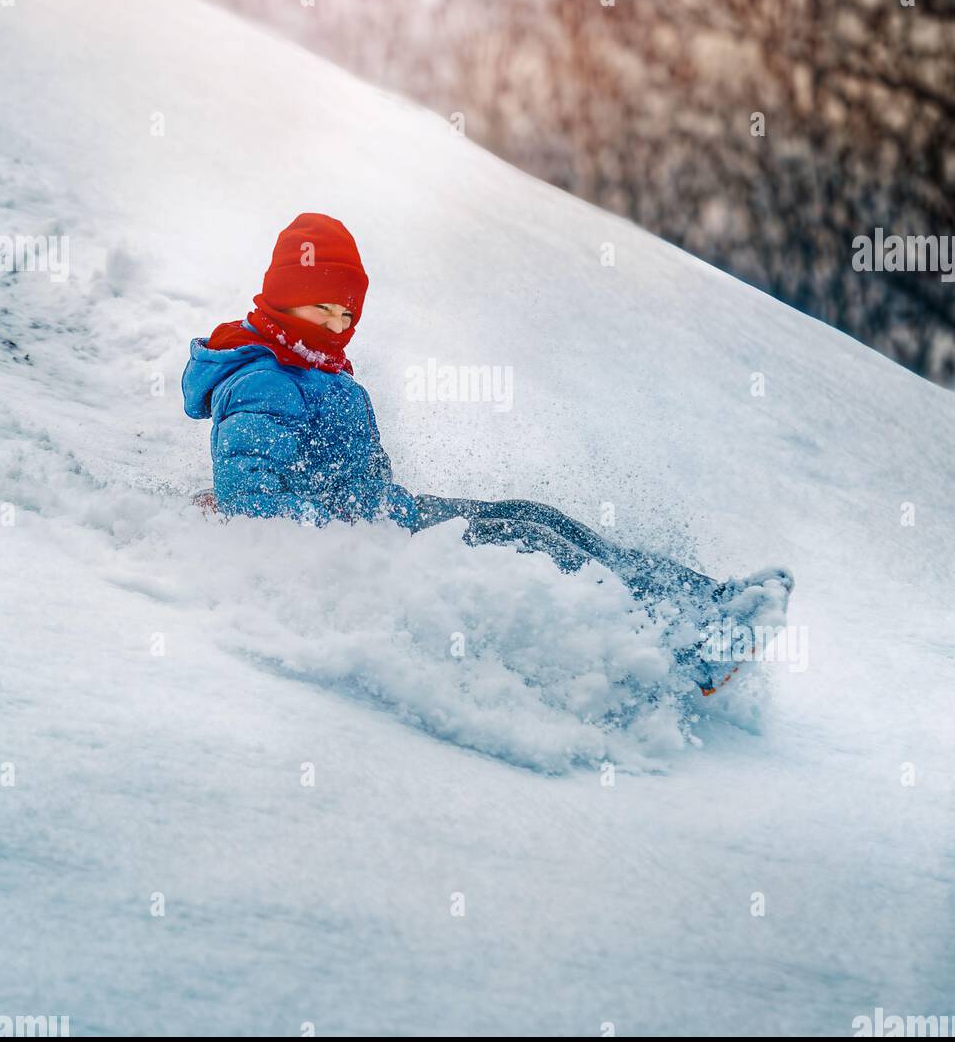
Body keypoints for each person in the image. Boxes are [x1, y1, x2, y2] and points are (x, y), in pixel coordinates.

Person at [182, 213, 792, 692]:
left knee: (531, 516)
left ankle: (704, 602)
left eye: (347, 313)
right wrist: (338, 533)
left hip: (389, 515)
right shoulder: (266, 380)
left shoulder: (316, 367)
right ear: (284, 299)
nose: (339, 325)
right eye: (324, 308)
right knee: (530, 545)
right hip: (368, 543)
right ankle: (686, 653)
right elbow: (255, 499)